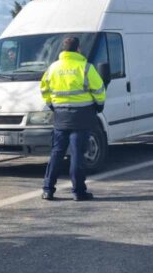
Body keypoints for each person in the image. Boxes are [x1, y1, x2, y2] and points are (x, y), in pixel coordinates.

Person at [40, 37, 105, 201]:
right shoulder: (85, 67)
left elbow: (44, 89)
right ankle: (78, 191)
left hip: (61, 116)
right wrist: (99, 105)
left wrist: (52, 105)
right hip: (82, 117)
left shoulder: (53, 68)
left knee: (56, 152)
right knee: (77, 154)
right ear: (78, 49)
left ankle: (48, 189)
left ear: (63, 49)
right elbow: (99, 89)